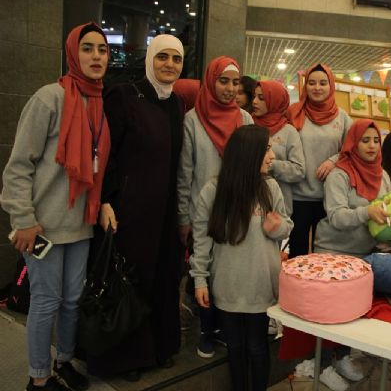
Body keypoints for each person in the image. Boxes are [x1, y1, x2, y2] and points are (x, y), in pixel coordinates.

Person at [1, 22, 110, 391]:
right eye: (87, 48)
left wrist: (103, 203)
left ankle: (63, 361)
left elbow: (97, 166)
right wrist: (23, 219)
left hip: (80, 224)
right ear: (72, 54)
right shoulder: (50, 98)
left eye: (102, 49)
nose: (96, 56)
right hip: (43, 227)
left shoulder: (98, 104)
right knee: (46, 301)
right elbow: (19, 166)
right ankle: (38, 377)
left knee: (73, 300)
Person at [85, 34, 185, 381]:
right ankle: (125, 358)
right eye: (163, 57)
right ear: (149, 59)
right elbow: (105, 153)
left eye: (176, 59)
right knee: (129, 279)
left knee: (161, 277)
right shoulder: (125, 96)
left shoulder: (176, 103)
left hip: (164, 210)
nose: (169, 64)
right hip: (128, 208)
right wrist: (105, 199)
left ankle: (157, 348)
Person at [190, 125, 293, 391]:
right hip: (228, 286)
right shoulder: (213, 190)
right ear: (249, 153)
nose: (272, 156)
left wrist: (277, 228)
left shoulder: (270, 187)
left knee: (258, 347)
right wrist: (199, 279)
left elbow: (286, 225)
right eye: (266, 149)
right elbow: (201, 239)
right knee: (235, 348)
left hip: (261, 285)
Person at [177, 56, 253, 358]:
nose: (230, 88)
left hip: (237, 211)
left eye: (235, 82)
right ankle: (206, 330)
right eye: (223, 81)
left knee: (230, 269)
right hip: (203, 212)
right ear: (210, 82)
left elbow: (253, 166)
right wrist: (183, 217)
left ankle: (224, 327)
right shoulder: (193, 120)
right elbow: (184, 174)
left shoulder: (244, 119)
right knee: (205, 271)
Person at [310, 119, 390, 391]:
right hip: (333, 254)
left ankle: (341, 358)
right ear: (352, 143)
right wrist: (366, 212)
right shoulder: (339, 174)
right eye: (364, 140)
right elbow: (336, 217)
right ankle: (322, 365)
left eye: (376, 140)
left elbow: (389, 210)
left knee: (352, 315)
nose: (371, 146)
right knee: (329, 316)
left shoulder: (382, 174)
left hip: (364, 254)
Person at [287, 63, 353, 258]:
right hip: (297, 195)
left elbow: (351, 149)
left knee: (324, 254)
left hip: (329, 196)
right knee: (297, 252)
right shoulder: (293, 112)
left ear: (331, 86)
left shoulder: (342, 117)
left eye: (323, 83)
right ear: (305, 85)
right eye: (312, 83)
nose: (317, 88)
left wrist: (333, 161)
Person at [252, 80, 305, 215]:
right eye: (254, 96)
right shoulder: (248, 123)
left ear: (275, 101)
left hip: (278, 206)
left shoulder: (288, 131)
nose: (254, 102)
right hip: (248, 203)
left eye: (261, 98)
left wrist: (269, 164)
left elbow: (299, 170)